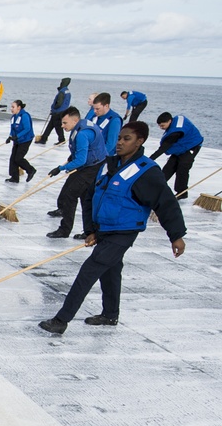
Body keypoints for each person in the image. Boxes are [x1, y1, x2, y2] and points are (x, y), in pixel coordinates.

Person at [39, 122, 186, 333]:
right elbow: (90, 197)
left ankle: (61, 320)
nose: (120, 143)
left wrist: (176, 235)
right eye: (119, 138)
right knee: (111, 271)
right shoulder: (108, 165)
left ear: (140, 141)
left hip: (123, 231)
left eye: (127, 139)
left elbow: (166, 204)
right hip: (103, 229)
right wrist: (91, 229)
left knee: (89, 271)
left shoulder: (146, 171)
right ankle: (110, 315)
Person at [46, 107, 107, 239]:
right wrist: (69, 159)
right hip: (89, 163)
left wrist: (60, 168)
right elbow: (80, 152)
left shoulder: (82, 134)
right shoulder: (80, 126)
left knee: (70, 196)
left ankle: (64, 230)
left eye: (65, 123)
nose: (62, 126)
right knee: (85, 197)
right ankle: (90, 231)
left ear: (75, 121)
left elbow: (80, 160)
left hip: (91, 167)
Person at [154, 112, 204, 198]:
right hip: (181, 146)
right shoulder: (174, 124)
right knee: (169, 167)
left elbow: (163, 148)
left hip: (192, 145)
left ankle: (182, 192)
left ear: (170, 121)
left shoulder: (175, 133)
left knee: (183, 167)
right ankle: (156, 187)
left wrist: (150, 159)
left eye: (162, 126)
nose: (161, 128)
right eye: (159, 126)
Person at [5, 101, 36, 182]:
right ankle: (14, 177)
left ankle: (31, 170)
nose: (11, 109)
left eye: (13, 107)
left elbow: (27, 129)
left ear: (19, 107)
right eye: (11, 107)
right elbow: (13, 129)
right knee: (13, 158)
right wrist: (10, 137)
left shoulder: (24, 116)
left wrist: (17, 136)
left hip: (26, 139)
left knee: (18, 158)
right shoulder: (13, 117)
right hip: (17, 140)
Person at [35, 78, 72, 145]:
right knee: (50, 125)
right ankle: (43, 138)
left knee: (58, 126)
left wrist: (54, 109)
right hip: (63, 111)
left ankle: (61, 140)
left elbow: (59, 103)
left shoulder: (62, 92)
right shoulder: (68, 91)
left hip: (57, 112)